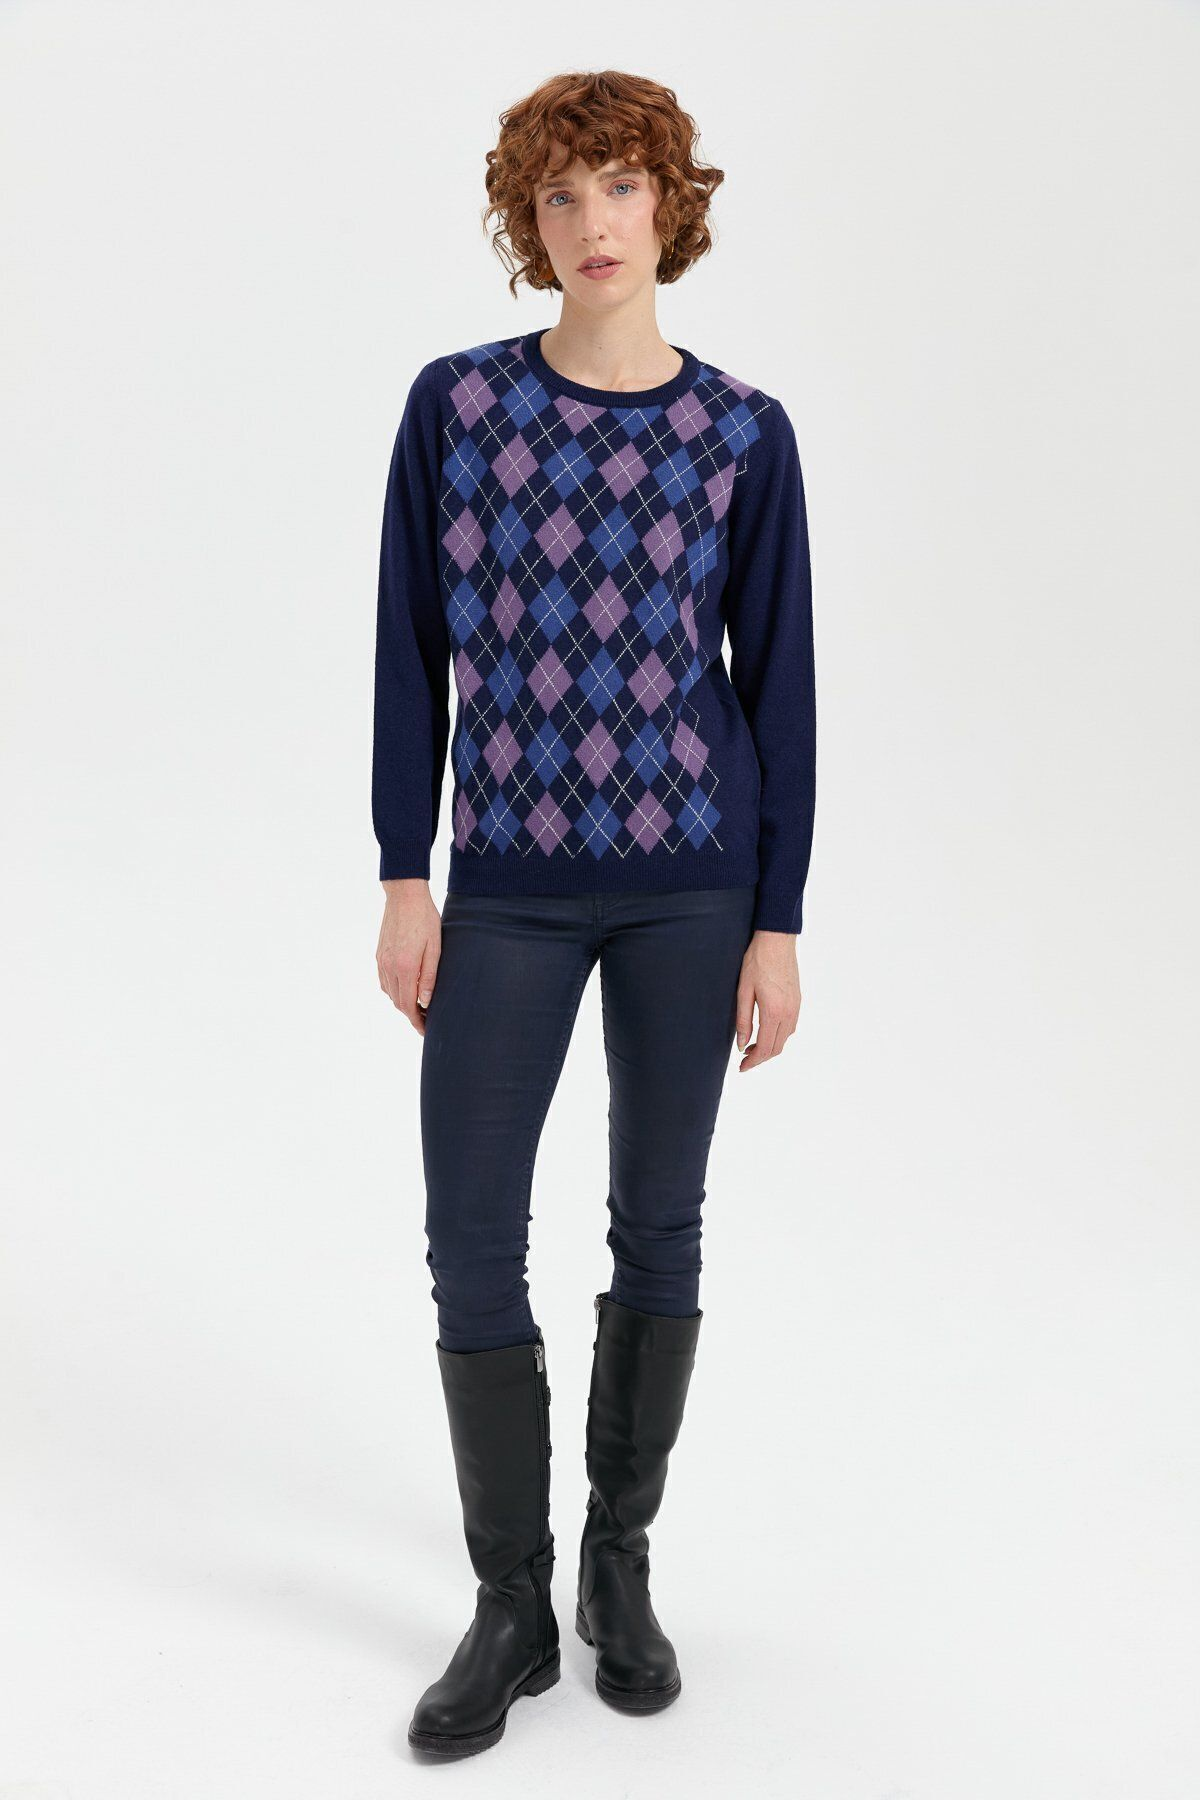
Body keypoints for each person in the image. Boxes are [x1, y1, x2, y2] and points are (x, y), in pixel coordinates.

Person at [372, 68, 816, 1759]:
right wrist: (403, 872)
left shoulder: (743, 434)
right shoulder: (459, 408)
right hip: (508, 887)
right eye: (559, 196)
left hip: (694, 885)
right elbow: (412, 648)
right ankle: (512, 1602)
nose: (592, 223)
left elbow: (778, 687)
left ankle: (617, 1567)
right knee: (470, 1235)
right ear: (527, 222)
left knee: (660, 1227)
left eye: (621, 187)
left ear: (669, 207)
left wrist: (778, 917)